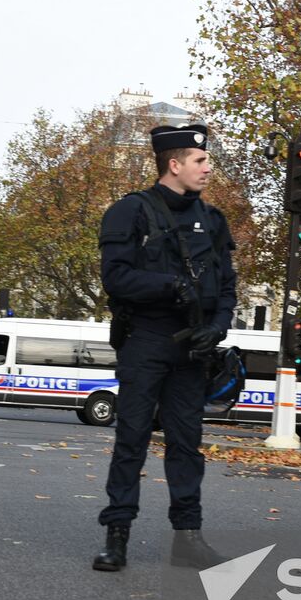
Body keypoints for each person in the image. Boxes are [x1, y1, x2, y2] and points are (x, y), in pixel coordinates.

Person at [93, 123, 237, 572]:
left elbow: (228, 285)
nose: (208, 168)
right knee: (131, 439)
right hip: (148, 341)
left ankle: (188, 539)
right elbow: (115, 277)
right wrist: (168, 286)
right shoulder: (130, 212)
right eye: (200, 161)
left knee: (187, 446)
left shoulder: (213, 220)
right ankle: (117, 537)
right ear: (174, 165)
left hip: (193, 348)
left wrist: (217, 327)